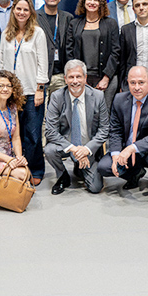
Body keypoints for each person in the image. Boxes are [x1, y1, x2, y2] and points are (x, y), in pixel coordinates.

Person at [97, 66, 148, 210]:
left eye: (141, 82)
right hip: (128, 150)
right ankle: (135, 174)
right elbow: (115, 130)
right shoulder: (119, 99)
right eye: (132, 83)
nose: (136, 87)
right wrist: (115, 156)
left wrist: (131, 148)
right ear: (127, 83)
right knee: (104, 167)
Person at [0, 0, 48, 184]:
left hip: (31, 91)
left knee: (33, 134)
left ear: (31, 12)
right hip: (10, 93)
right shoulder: (6, 34)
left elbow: (43, 63)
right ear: (13, 10)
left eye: (26, 9)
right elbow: (1, 62)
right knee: (12, 133)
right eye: (18, 8)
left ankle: (36, 169)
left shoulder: (37, 33)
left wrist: (40, 88)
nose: (22, 12)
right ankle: (17, 167)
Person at [44, 59, 109, 195]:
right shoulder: (57, 97)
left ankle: (80, 168)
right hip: (66, 145)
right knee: (49, 150)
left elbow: (104, 129)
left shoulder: (98, 96)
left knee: (95, 188)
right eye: (71, 77)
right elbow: (50, 131)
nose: (75, 81)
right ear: (65, 79)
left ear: (85, 78)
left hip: (88, 146)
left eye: (78, 76)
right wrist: (74, 149)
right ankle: (63, 176)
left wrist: (86, 149)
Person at [66, 0, 120, 111]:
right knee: (82, 113)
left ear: (101, 4)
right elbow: (69, 52)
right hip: (81, 78)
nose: (92, 2)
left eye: (96, 0)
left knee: (104, 114)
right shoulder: (74, 24)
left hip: (106, 78)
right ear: (84, 2)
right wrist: (79, 78)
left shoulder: (111, 23)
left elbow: (116, 51)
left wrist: (106, 78)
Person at [36, 0, 74, 96]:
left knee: (60, 112)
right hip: (40, 76)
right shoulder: (34, 16)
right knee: (41, 113)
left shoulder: (67, 18)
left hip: (61, 75)